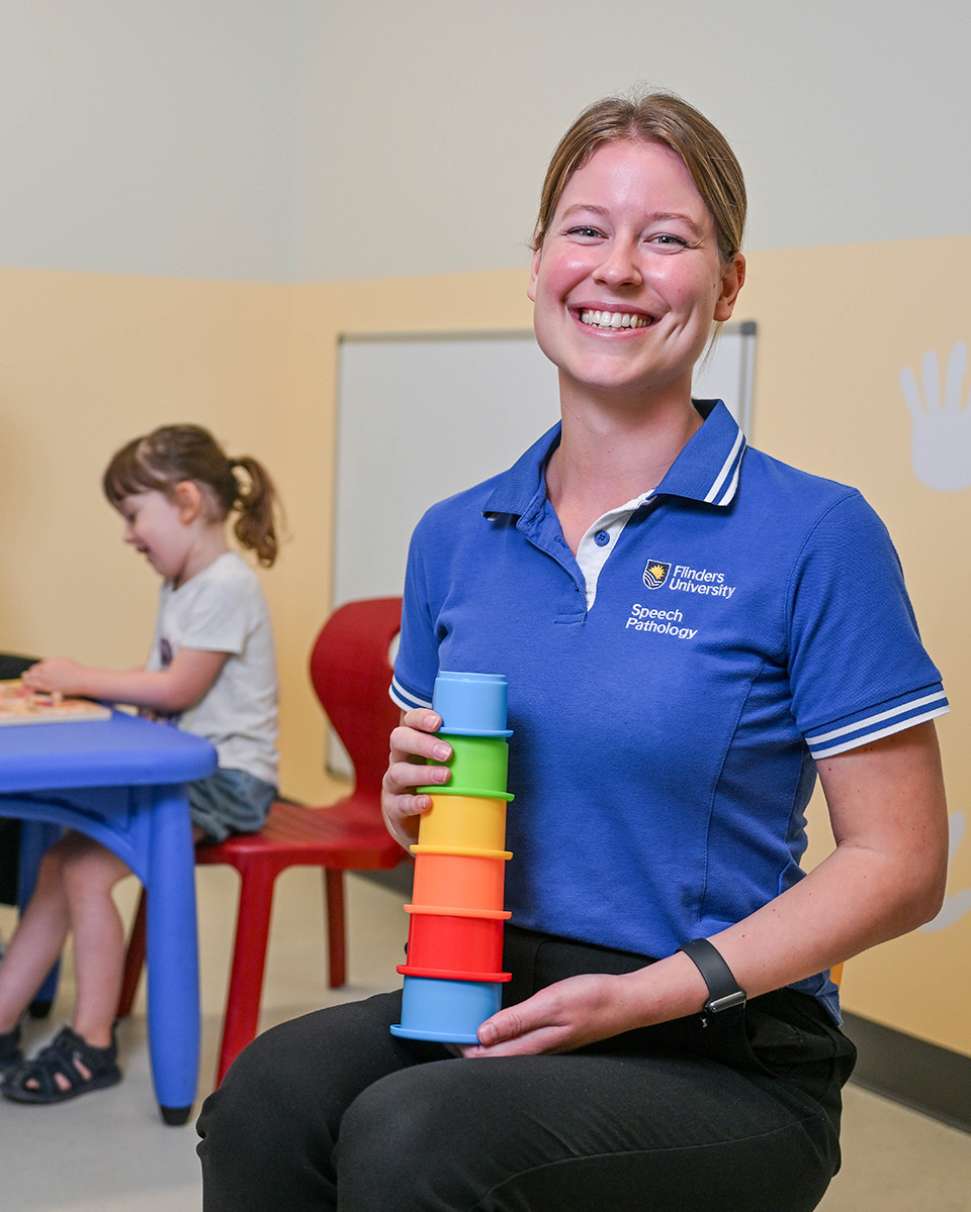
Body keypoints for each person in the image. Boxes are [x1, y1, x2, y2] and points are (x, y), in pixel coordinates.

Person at [196, 93, 950, 1212]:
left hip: (720, 1036)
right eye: (585, 229)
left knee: (416, 1141)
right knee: (262, 1100)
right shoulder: (456, 533)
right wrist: (411, 798)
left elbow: (899, 865)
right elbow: (431, 813)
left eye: (666, 237)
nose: (618, 268)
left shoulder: (813, 533)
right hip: (491, 990)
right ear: (539, 260)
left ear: (727, 283)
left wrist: (649, 994)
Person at [0, 424, 281, 1104]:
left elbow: (178, 689)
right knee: (57, 861)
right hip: (185, 770)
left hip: (228, 781)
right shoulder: (183, 583)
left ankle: (94, 1041)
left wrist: (81, 677)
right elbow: (163, 690)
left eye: (133, 514)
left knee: (89, 873)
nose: (128, 534)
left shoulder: (224, 584)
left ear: (186, 501)